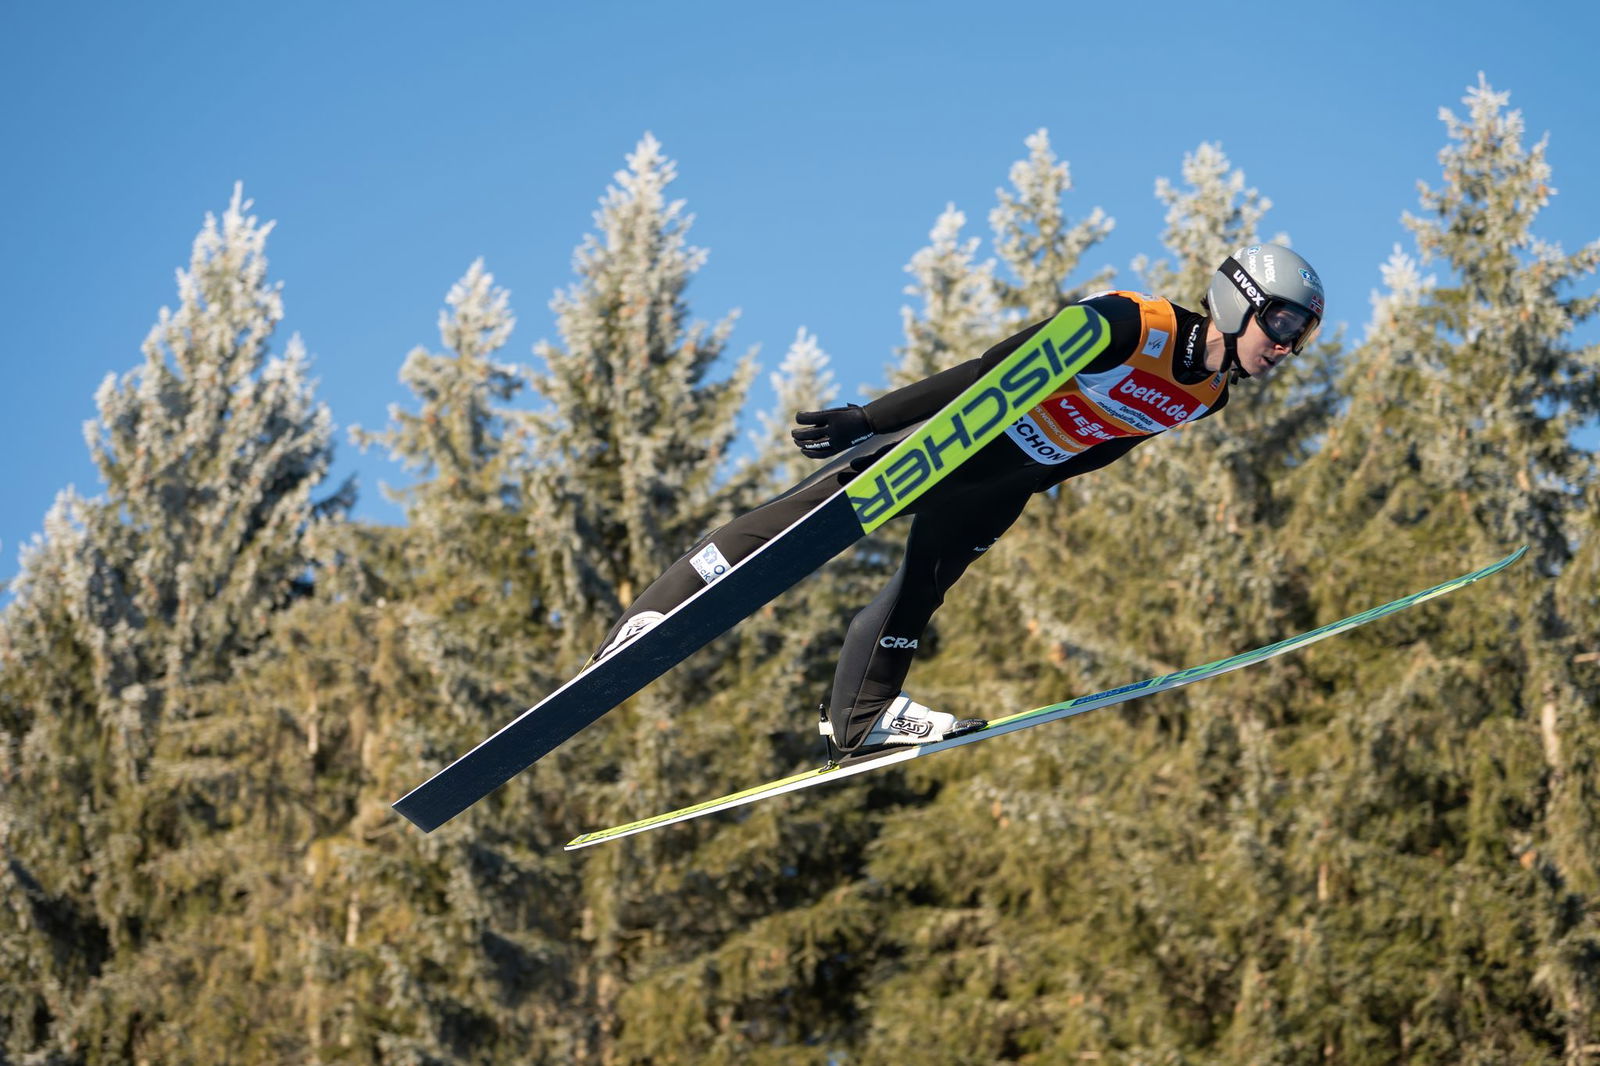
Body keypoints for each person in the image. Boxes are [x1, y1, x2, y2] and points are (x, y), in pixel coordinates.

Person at [592, 244, 1325, 758]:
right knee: (808, 521)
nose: (1288, 346)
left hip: (1011, 479)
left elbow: (1111, 442)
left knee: (923, 588)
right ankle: (652, 617)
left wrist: (1038, 482)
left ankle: (861, 717)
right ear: (1240, 301)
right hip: (968, 442)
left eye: (1303, 333)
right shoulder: (1129, 326)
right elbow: (989, 371)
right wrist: (871, 420)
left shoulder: (1209, 397)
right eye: (1285, 323)